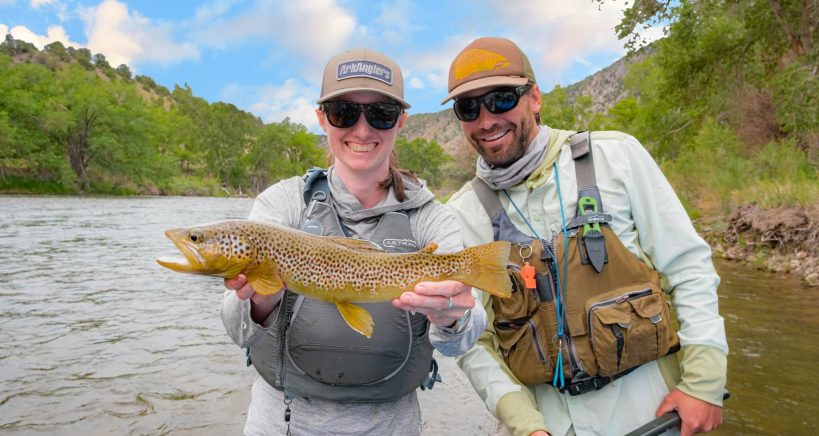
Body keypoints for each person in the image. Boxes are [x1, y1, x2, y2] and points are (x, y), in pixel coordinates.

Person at [442, 37, 728, 436]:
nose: (487, 119)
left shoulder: (618, 157)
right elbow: (475, 339)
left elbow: (689, 267)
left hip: (656, 414)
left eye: (502, 98)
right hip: (546, 426)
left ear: (535, 98)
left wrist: (704, 383)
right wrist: (524, 424)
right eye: (468, 107)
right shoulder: (460, 215)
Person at [220, 48, 486, 436]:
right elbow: (236, 329)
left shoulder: (431, 217)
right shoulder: (282, 203)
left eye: (381, 114)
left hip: (391, 425)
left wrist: (452, 315)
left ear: (401, 122)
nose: (362, 130)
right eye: (344, 112)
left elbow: (462, 340)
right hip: (282, 423)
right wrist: (262, 296)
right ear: (321, 119)